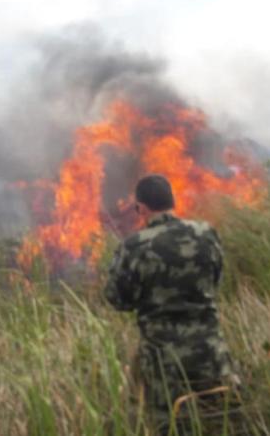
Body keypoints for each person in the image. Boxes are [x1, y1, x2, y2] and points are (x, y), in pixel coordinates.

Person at [104, 174, 238, 435]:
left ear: (140, 208)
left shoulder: (134, 245)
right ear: (172, 201)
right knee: (223, 421)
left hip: (162, 360)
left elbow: (117, 299)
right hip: (211, 351)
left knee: (171, 426)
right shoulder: (206, 234)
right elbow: (215, 279)